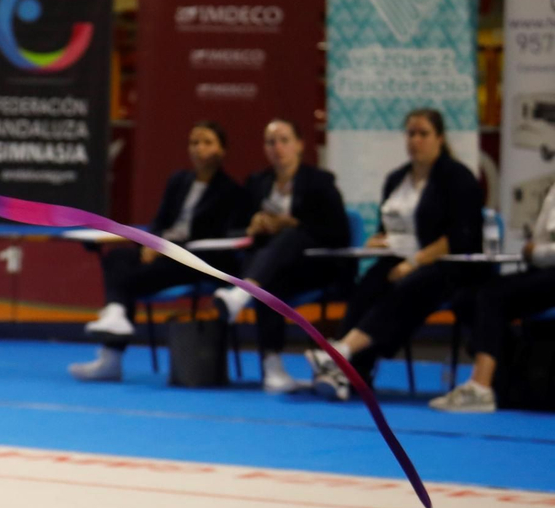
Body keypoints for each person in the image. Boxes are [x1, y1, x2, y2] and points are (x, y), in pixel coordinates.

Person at [307, 108, 484, 400]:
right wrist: (379, 241)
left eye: (423, 134)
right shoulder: (396, 178)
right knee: (370, 283)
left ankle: (342, 351)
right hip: (401, 260)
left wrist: (414, 262)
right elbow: (387, 228)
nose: (415, 140)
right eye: (411, 134)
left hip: (447, 267)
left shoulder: (458, 177)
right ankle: (349, 373)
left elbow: (460, 236)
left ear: (439, 138)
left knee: (406, 287)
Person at [70, 120, 245, 382]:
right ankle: (115, 323)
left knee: (128, 279)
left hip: (193, 262)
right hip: (161, 251)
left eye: (207, 142)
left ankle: (113, 351)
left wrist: (166, 250)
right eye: (194, 142)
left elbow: (214, 240)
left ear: (222, 150)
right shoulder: (178, 181)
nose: (198, 148)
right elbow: (160, 222)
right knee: (118, 257)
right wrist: (150, 243)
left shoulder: (231, 191)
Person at [213, 119, 352, 392]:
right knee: (269, 281)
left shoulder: (320, 182)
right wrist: (253, 226)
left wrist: (291, 223)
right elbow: (231, 230)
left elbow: (339, 232)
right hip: (274, 270)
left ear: (300, 144)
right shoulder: (257, 183)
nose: (277, 147)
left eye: (284, 140)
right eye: (271, 142)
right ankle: (272, 367)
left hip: (315, 267)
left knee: (290, 236)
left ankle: (242, 292)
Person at [430, 179, 555, 412]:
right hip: (542, 269)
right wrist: (532, 249)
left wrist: (535, 251)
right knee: (466, 299)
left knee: (493, 296)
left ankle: (481, 386)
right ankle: (508, 380)